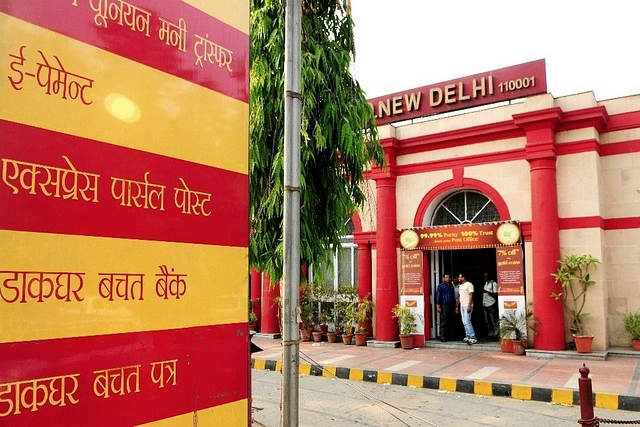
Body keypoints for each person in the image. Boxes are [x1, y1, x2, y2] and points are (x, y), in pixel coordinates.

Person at [435, 274, 458, 342]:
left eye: (449, 277)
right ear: (443, 278)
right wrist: (438, 306)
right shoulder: (441, 286)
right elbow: (438, 296)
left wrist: (455, 305)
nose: (448, 278)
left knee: (450, 321)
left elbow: (453, 295)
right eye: (446, 277)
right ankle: (442, 336)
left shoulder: (451, 286)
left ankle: (449, 336)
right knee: (443, 321)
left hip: (451, 305)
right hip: (444, 305)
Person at [457, 273, 477, 344]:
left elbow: (471, 295)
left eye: (460, 277)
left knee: (467, 321)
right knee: (464, 322)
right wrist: (457, 306)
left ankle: (473, 337)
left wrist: (469, 305)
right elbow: (459, 296)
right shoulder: (461, 286)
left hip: (467, 305)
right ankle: (468, 336)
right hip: (462, 305)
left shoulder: (469, 284)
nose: (458, 278)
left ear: (463, 277)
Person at [482, 272, 499, 339]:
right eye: (484, 276)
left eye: (486, 276)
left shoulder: (494, 284)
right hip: (485, 304)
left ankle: (496, 334)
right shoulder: (486, 283)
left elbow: (496, 294)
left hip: (491, 304)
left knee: (493, 320)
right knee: (487, 321)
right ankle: (490, 334)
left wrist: (487, 292)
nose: (485, 278)